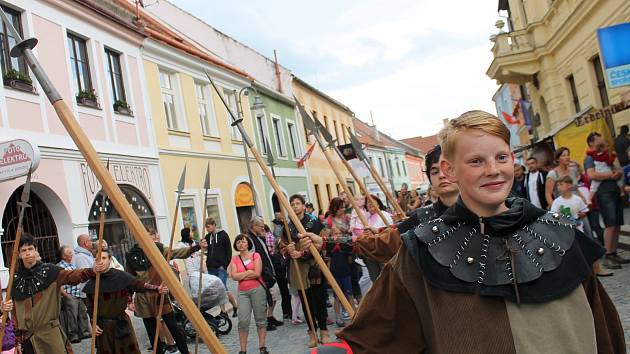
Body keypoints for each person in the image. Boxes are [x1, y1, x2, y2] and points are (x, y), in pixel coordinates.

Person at [310, 110, 624, 354]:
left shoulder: (561, 237)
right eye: (476, 161)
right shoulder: (420, 250)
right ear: (449, 170)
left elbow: (605, 334)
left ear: (512, 160)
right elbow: (375, 339)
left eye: (501, 157)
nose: (492, 170)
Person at [1, 233, 106, 354]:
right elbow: (14, 315)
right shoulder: (14, 282)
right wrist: (17, 340)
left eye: (30, 249)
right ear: (19, 254)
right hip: (29, 340)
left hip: (51, 335)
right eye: (24, 250)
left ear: (36, 250)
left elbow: (73, 276)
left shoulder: (51, 271)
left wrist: (91, 271)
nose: (28, 253)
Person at [126, 228, 207, 354]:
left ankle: (185, 352)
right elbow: (130, 278)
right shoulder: (131, 255)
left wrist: (196, 247)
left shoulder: (158, 248)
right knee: (153, 332)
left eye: (147, 235)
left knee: (173, 326)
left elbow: (177, 252)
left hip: (160, 294)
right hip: (143, 298)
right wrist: (129, 299)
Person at [84, 249, 168, 354]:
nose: (100, 261)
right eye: (97, 259)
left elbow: (140, 285)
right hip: (104, 328)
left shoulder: (121, 276)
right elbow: (90, 307)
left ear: (110, 259)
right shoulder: (93, 283)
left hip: (122, 324)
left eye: (104, 258)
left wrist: (157, 289)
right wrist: (93, 323)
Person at [280, 194, 328, 347]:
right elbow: (282, 247)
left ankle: (324, 331)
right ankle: (312, 333)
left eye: (297, 203)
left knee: (319, 299)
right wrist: (289, 250)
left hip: (314, 265)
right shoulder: (288, 227)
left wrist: (302, 252)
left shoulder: (314, 222)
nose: (295, 206)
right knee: (306, 301)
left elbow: (321, 243)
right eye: (292, 204)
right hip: (298, 268)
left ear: (303, 205)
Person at [585, 132, 628, 269]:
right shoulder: (589, 158)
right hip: (603, 192)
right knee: (610, 223)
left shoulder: (609, 154)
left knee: (617, 223)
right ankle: (607, 254)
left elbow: (619, 169)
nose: (602, 140)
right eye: (599, 138)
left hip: (615, 190)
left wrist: (616, 173)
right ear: (592, 143)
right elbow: (592, 175)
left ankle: (614, 252)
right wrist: (611, 175)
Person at [228, 234, 270, 354]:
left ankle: (262, 347)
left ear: (248, 244)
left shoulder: (255, 255)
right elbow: (234, 276)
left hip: (257, 289)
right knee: (243, 321)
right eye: (238, 242)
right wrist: (248, 272)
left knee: (260, 319)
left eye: (243, 241)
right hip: (243, 292)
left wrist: (243, 275)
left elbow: (257, 273)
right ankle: (243, 350)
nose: (240, 244)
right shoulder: (234, 259)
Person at [57, 245, 91, 344]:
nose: (72, 254)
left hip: (78, 293)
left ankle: (84, 332)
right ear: (63, 256)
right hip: (70, 294)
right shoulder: (60, 267)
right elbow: (58, 284)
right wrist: (66, 295)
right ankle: (73, 336)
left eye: (71, 252)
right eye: (69, 253)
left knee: (82, 313)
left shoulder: (72, 265)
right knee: (72, 315)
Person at [204, 218, 238, 317]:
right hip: (211, 267)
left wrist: (225, 265)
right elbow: (207, 250)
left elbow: (229, 251)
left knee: (221, 288)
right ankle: (230, 308)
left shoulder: (223, 235)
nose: (207, 229)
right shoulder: (207, 237)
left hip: (220, 268)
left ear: (214, 225)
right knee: (219, 289)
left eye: (208, 226)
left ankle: (227, 310)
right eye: (206, 227)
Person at [74, 234, 95, 300]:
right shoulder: (81, 257)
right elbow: (86, 275)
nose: (92, 243)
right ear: (86, 243)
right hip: (88, 292)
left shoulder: (86, 255)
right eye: (90, 241)